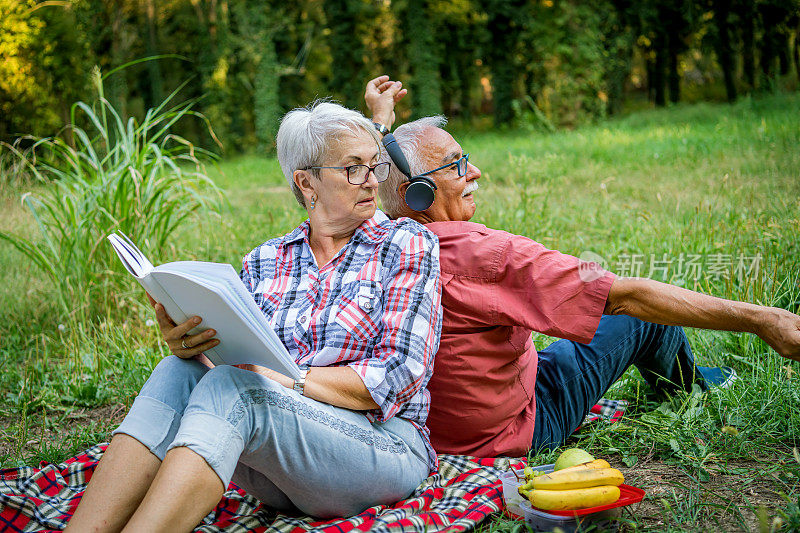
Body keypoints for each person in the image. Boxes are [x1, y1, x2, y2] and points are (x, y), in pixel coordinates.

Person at [364, 76, 800, 458]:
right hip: (514, 429)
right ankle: (694, 388)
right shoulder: (484, 253)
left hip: (429, 432)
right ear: (419, 193)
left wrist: (379, 125)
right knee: (643, 315)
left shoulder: (367, 238)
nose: (474, 170)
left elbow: (364, 187)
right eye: (457, 165)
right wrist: (763, 318)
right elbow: (625, 296)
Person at [66, 101, 442, 532]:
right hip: (282, 463)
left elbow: (397, 376)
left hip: (381, 447)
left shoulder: (406, 243)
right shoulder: (267, 259)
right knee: (178, 371)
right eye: (353, 168)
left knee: (239, 388)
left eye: (373, 166)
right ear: (307, 182)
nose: (371, 181)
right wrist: (193, 344)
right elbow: (237, 356)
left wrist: (289, 379)